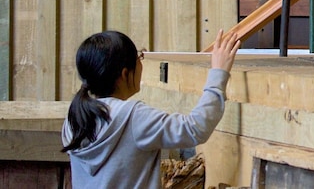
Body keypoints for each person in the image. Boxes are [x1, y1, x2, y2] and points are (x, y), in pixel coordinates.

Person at [62, 29, 241, 188]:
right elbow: (194, 129)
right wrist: (218, 72)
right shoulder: (132, 117)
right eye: (139, 57)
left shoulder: (75, 117)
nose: (141, 63)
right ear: (125, 74)